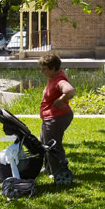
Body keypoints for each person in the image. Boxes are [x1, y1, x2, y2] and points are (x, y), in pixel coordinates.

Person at [38, 53, 76, 184]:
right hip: (50, 117)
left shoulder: (60, 80)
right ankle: (49, 167)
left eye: (44, 69)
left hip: (56, 118)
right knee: (44, 142)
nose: (41, 71)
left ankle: (58, 172)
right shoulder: (54, 78)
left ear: (53, 68)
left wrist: (60, 100)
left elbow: (70, 91)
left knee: (52, 145)